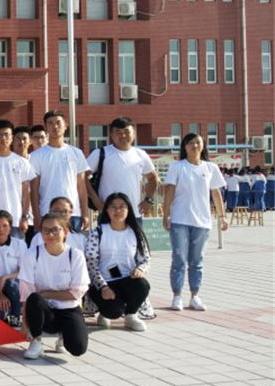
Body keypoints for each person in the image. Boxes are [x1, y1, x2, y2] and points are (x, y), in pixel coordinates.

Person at [163, 133, 228, 312]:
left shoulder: (210, 168)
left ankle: (195, 295)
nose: (194, 146)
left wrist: (222, 216)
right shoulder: (177, 166)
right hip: (180, 220)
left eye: (198, 142)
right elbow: (169, 191)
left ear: (203, 145)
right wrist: (166, 214)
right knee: (179, 259)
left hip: (202, 222)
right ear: (184, 146)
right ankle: (177, 295)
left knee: (197, 260)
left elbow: (216, 193)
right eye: (190, 143)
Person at [20, 211, 90, 360]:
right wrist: (25, 321)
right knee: (34, 298)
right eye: (45, 230)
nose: (50, 235)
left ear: (65, 232)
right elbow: (27, 293)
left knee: (78, 348)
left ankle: (63, 336)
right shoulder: (31, 255)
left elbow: (77, 292)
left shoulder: (75, 255)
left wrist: (46, 293)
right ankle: (36, 341)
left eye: (55, 230)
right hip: (44, 309)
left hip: (68, 308)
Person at [85, 194, 151, 332]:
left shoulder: (135, 233)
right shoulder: (98, 232)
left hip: (128, 278)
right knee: (114, 311)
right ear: (107, 210)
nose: (117, 211)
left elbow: (145, 260)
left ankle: (131, 315)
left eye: (122, 207)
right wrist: (103, 287)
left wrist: (140, 270)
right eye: (113, 207)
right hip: (104, 282)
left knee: (142, 285)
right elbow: (91, 264)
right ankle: (104, 313)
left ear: (128, 210)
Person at [86, 117, 159, 221]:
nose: (123, 136)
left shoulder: (141, 155)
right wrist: (96, 200)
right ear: (111, 135)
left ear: (134, 134)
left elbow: (153, 178)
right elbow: (82, 177)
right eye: (118, 132)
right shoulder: (100, 153)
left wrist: (148, 199)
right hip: (108, 214)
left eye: (127, 132)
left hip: (134, 214)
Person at [29, 110, 90, 232]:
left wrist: (85, 212)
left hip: (73, 214)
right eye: (50, 123)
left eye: (58, 123)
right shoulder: (36, 156)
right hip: (46, 213)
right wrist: (36, 215)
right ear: (46, 127)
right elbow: (34, 188)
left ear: (65, 125)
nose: (55, 126)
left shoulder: (76, 153)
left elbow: (81, 186)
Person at [0, 120, 35, 239]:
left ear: (12, 138)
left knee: (17, 250)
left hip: (16, 220)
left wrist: (25, 217)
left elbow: (26, 193)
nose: (3, 138)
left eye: (6, 134)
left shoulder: (22, 163)